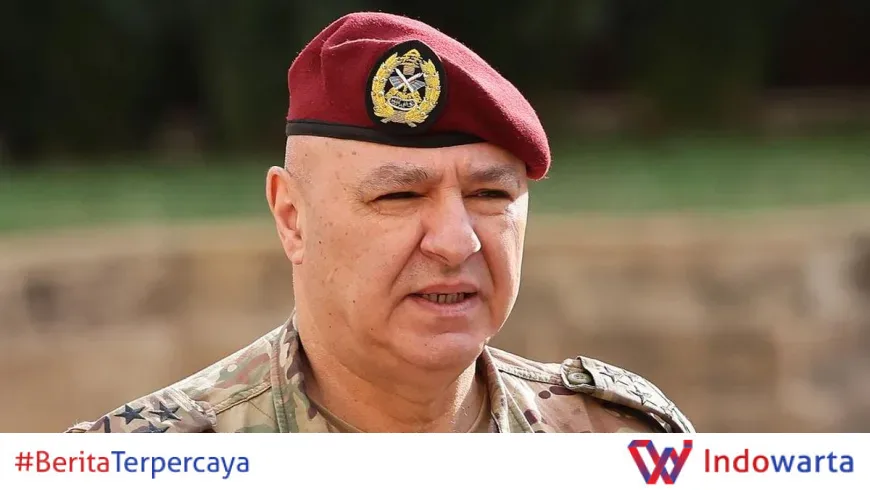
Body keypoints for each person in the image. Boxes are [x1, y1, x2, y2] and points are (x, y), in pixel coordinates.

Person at [65, 11, 694, 434]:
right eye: (399, 196)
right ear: (292, 218)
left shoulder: (619, 442)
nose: (456, 242)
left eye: (489, 194)